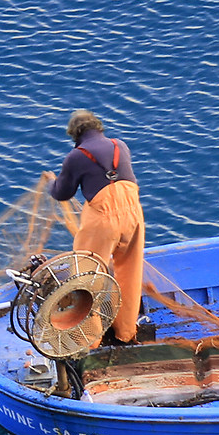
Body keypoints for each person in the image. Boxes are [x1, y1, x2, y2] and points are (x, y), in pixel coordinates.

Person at [47, 109, 146, 346]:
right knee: (129, 273)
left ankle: (90, 338)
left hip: (103, 220)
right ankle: (125, 332)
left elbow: (63, 192)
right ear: (98, 127)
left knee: (87, 275)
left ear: (74, 135)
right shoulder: (119, 145)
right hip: (134, 214)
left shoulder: (76, 156)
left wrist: (51, 182)